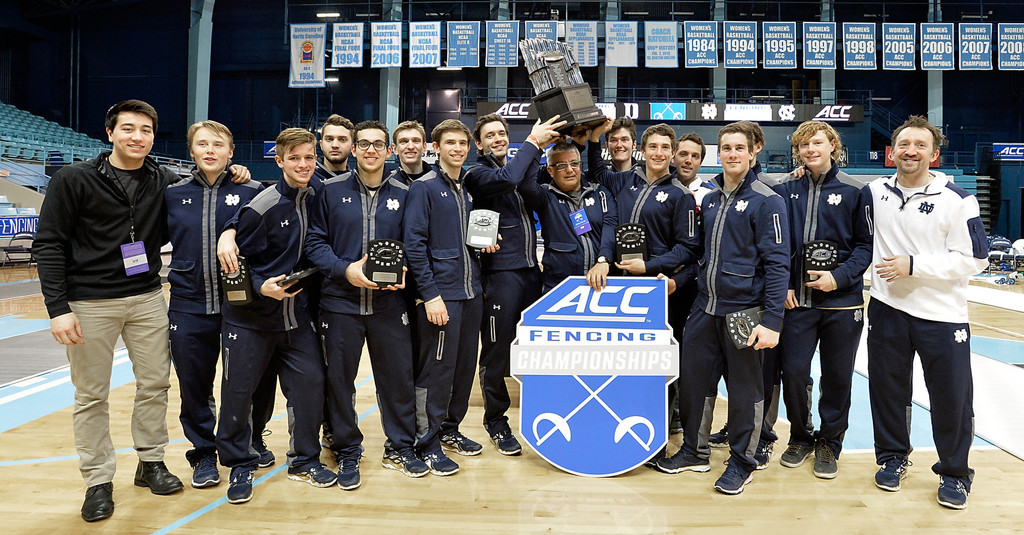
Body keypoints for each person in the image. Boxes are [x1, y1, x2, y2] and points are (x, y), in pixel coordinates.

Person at [34, 99, 185, 522]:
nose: (138, 137)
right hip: (88, 302)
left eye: (147, 131)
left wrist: (235, 172)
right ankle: (98, 481)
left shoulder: (164, 179)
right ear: (110, 133)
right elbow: (48, 244)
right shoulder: (73, 178)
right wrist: (58, 308)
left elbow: (205, 191)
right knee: (91, 395)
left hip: (147, 297)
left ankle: (151, 462)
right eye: (129, 129)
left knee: (155, 384)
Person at [656, 122, 789, 496]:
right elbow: (699, 255)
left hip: (744, 312)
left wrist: (773, 320)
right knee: (694, 383)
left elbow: (778, 264)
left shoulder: (768, 200)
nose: (731, 154)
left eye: (738, 148)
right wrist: (677, 282)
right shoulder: (711, 198)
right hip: (704, 308)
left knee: (746, 391)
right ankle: (694, 452)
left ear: (752, 152)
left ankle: (742, 462)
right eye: (726, 148)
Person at [866, 115, 988, 510]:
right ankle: (892, 458)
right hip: (888, 309)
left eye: (920, 145)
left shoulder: (957, 199)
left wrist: (914, 265)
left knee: (951, 398)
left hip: (943, 316)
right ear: (892, 151)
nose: (910, 151)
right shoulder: (873, 190)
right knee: (887, 391)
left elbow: (976, 258)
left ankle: (955, 473)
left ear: (934, 154)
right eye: (903, 144)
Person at [305, 120, 429, 489]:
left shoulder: (407, 194)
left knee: (398, 381)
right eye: (364, 144)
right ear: (354, 150)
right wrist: (345, 270)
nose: (371, 150)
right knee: (339, 383)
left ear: (388, 151)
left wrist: (406, 270)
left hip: (390, 306)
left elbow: (415, 242)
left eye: (378, 144)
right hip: (339, 304)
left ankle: (400, 447)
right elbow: (315, 244)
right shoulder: (328, 191)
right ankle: (346, 450)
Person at [217, 128, 336, 504]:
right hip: (250, 320)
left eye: (309, 157)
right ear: (279, 160)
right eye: (295, 158)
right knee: (239, 394)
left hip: (296, 319)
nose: (303, 164)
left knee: (309, 387)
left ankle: (304, 459)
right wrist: (258, 286)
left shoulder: (318, 194)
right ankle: (239, 465)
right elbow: (234, 264)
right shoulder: (261, 207)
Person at [165, 120, 275, 490]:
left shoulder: (253, 191)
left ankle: (244, 449)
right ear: (191, 151)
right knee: (193, 387)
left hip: (241, 309)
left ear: (231, 152)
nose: (209, 150)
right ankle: (203, 456)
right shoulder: (173, 193)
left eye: (218, 144)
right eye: (202, 144)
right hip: (187, 305)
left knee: (241, 387)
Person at [770, 121, 872, 479]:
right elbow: (778, 246)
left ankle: (830, 442)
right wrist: (782, 285)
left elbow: (865, 247)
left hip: (843, 304)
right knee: (794, 373)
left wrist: (838, 277)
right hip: (797, 302)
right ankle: (800, 435)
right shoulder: (785, 190)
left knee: (837, 377)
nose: (810, 149)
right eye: (803, 145)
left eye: (817, 142)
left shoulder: (857, 191)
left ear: (833, 145)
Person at [462, 114, 564, 457]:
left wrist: (541, 153)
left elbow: (534, 196)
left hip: (530, 273)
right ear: (479, 144)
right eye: (490, 135)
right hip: (499, 275)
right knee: (495, 352)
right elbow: (506, 179)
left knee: (534, 349)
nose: (497, 138)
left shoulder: (518, 170)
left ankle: (540, 413)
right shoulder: (478, 174)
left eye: (502, 133)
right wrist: (533, 144)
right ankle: (496, 421)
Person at [517, 141, 618, 292]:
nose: (570, 170)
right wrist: (538, 147)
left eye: (574, 163)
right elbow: (525, 185)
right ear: (550, 171)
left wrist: (604, 260)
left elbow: (611, 225)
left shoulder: (600, 192)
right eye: (562, 166)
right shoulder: (545, 195)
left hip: (602, 280)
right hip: (559, 284)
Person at [316, 113, 354, 179]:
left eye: (342, 140)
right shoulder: (308, 178)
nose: (335, 145)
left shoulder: (357, 183)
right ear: (321, 144)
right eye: (329, 139)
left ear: (352, 147)